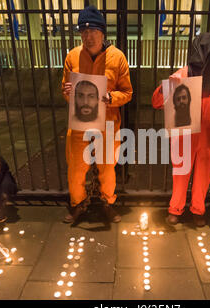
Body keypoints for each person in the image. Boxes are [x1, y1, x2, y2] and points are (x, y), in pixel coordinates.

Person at [152, 33, 210, 227]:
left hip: (208, 136)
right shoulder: (183, 74)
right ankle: (175, 209)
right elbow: (157, 102)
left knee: (203, 177)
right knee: (180, 175)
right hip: (184, 135)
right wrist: (168, 86)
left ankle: (197, 208)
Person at [61, 5, 133, 223]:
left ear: (103, 33)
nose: (88, 36)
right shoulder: (73, 56)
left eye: (93, 31)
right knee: (75, 167)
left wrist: (112, 99)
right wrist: (66, 92)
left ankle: (108, 202)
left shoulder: (117, 57)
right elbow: (65, 89)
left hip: (107, 122)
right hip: (79, 122)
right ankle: (78, 203)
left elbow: (128, 92)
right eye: (83, 31)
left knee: (107, 168)